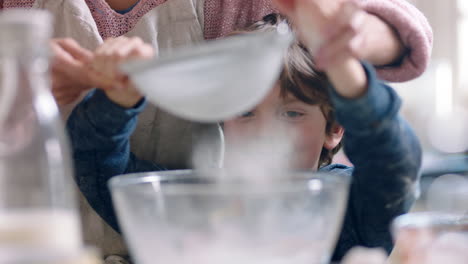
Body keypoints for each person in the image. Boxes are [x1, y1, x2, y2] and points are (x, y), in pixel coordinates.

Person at [66, 0, 422, 260]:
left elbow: (393, 163)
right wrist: (119, 101)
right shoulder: (198, 202)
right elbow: (98, 166)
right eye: (246, 113)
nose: (265, 132)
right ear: (223, 121)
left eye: (293, 113)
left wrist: (345, 71)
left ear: (335, 128)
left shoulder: (352, 205)